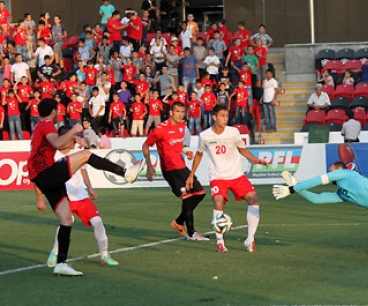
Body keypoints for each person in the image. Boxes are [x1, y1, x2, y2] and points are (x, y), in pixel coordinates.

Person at [29, 98, 144, 276]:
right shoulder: (46, 124)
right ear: (54, 111)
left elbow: (58, 144)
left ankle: (61, 263)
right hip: (46, 173)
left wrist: (73, 138)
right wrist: (75, 129)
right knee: (86, 155)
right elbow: (58, 144)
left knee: (66, 219)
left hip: (44, 177)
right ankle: (126, 173)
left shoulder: (40, 125)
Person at [186, 104, 268, 253]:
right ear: (214, 117)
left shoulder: (233, 132)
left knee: (254, 200)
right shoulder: (205, 135)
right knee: (218, 203)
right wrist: (191, 175)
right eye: (222, 116)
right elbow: (199, 154)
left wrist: (255, 159)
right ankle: (220, 242)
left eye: (227, 116)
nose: (225, 119)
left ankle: (250, 239)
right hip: (218, 177)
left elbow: (242, 149)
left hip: (236, 175)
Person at [142, 102, 208, 240]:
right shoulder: (161, 129)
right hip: (170, 169)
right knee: (188, 198)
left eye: (182, 112)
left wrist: (185, 150)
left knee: (200, 193)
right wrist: (149, 166)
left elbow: (176, 144)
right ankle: (191, 233)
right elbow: (145, 146)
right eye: (177, 111)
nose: (180, 114)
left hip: (181, 166)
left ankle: (178, 222)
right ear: (171, 113)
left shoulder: (182, 126)